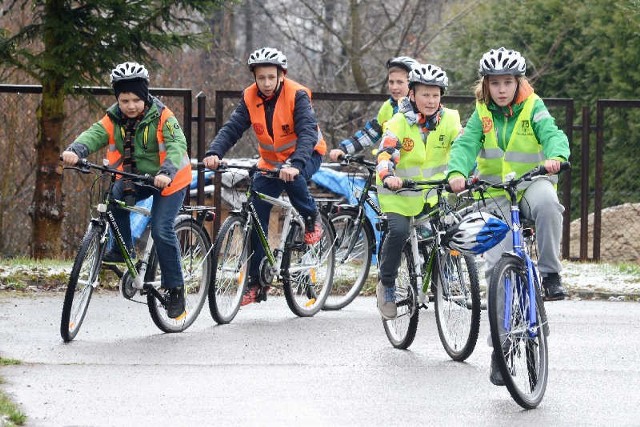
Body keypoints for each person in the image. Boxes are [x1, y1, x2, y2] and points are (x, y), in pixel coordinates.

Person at [446, 47, 570, 385]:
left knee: (548, 205)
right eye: (495, 83)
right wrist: (457, 171)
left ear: (519, 83)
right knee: (495, 271)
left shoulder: (533, 106)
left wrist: (557, 155)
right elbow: (465, 145)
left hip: (531, 183)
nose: (501, 89)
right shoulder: (481, 112)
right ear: (486, 85)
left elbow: (553, 134)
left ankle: (549, 275)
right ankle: (499, 350)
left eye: (507, 83)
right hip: (495, 194)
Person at [61, 61, 191, 320]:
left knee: (162, 229)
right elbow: (94, 134)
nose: (130, 106)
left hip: (171, 180)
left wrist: (165, 172)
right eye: (124, 100)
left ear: (145, 96)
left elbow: (177, 145)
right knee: (115, 198)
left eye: (135, 99)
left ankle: (176, 289)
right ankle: (123, 249)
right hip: (136, 177)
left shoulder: (164, 116)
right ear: (117, 100)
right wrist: (75, 150)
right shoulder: (114, 118)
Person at [203, 47, 327, 306]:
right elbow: (233, 127)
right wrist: (215, 151)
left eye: (272, 77)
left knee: (294, 179)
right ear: (255, 78)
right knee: (256, 216)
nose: (267, 83)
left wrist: (296, 162)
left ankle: (310, 217)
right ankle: (258, 282)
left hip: (306, 156)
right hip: (270, 163)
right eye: (261, 78)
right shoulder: (250, 97)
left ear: (282, 75)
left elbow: (306, 133)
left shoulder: (298, 95)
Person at [375, 63, 461, 319]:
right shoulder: (399, 122)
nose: (431, 100)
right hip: (398, 193)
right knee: (399, 231)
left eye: (436, 95)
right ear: (411, 94)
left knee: (451, 227)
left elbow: (462, 148)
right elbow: (386, 151)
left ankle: (448, 276)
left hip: (432, 193)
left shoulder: (451, 119)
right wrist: (388, 175)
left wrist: (467, 172)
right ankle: (387, 284)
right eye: (425, 94)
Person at [329, 56, 419, 161]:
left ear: (413, 84)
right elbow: (369, 134)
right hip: (387, 172)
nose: (394, 87)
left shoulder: (423, 109)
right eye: (391, 82)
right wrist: (343, 149)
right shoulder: (388, 107)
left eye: (400, 82)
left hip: (420, 176)